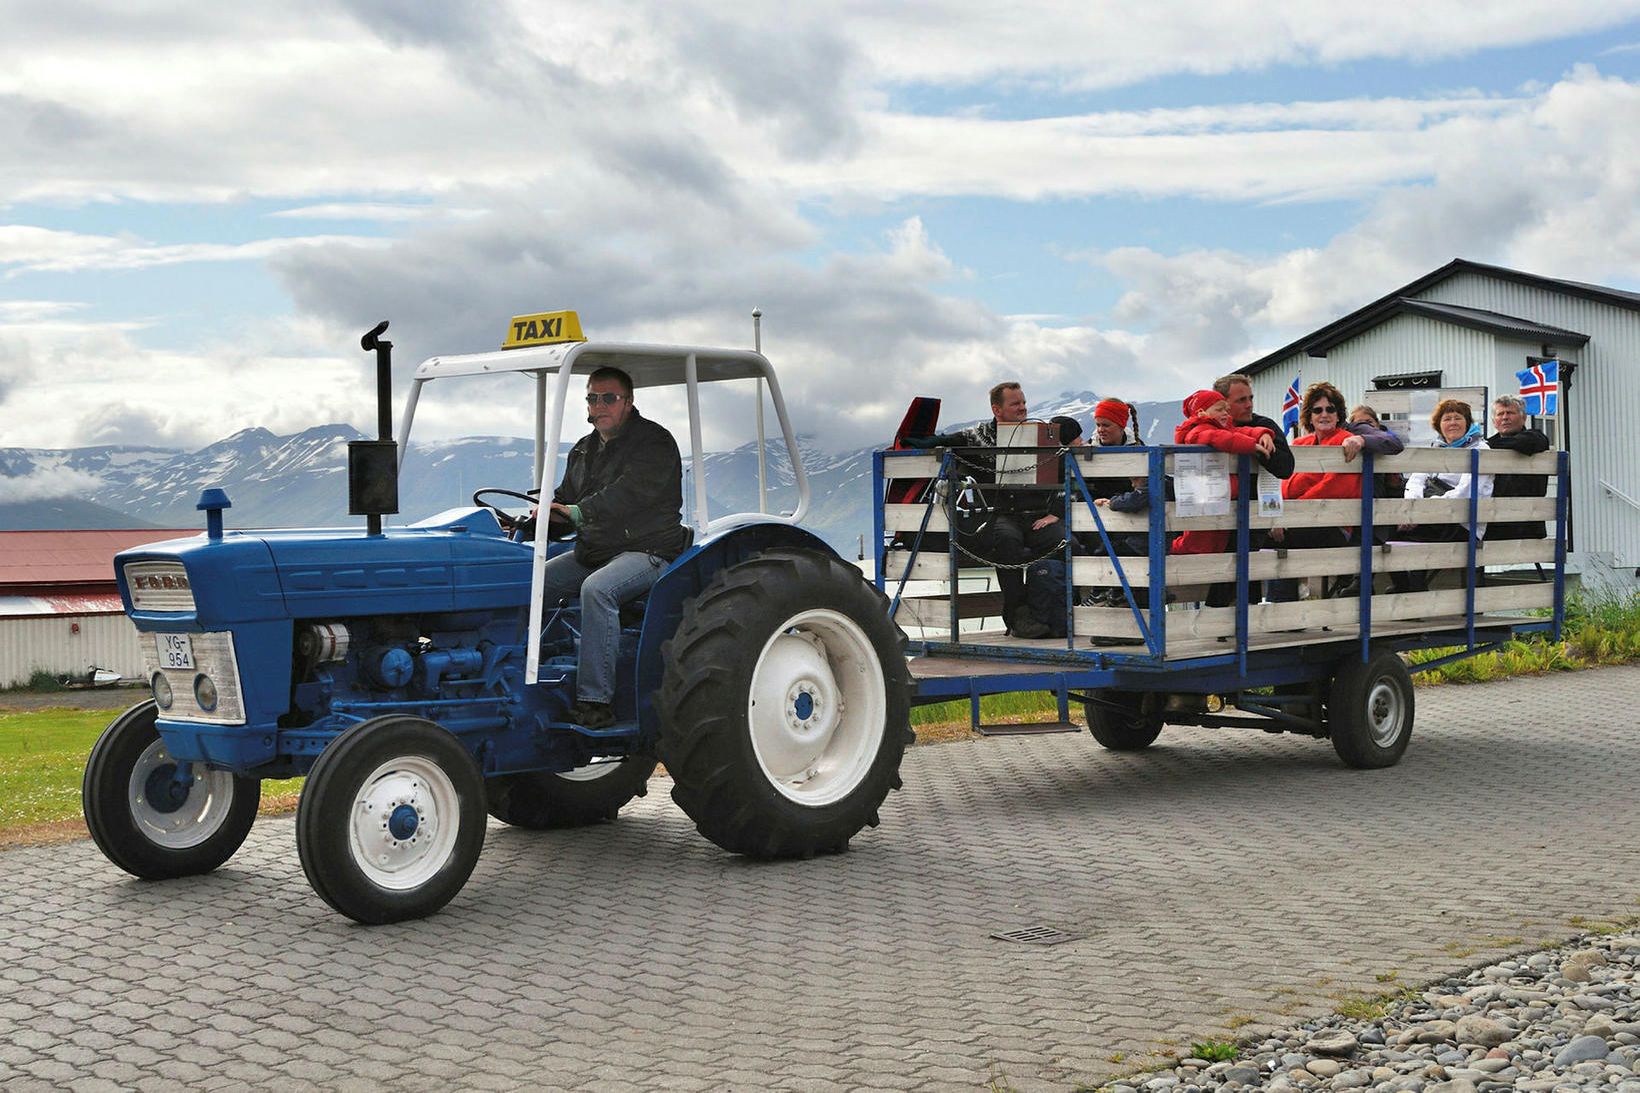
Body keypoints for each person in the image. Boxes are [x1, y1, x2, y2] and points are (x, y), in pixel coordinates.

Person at [539, 366, 691, 728]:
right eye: (593, 398)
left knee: (598, 590)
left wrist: (578, 512)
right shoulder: (583, 450)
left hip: (650, 549)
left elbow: (628, 494)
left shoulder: (653, 442)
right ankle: (533, 675)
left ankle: (595, 701)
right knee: (532, 583)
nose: (600, 405)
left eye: (609, 398)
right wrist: (537, 518)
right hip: (596, 551)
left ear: (628, 402)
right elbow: (566, 499)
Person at [1268, 383, 1402, 599]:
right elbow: (1285, 486)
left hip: (1334, 524)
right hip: (1302, 519)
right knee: (1257, 537)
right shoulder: (1300, 444)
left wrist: (1291, 516)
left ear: (1339, 414)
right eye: (1317, 410)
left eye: (1330, 409)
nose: (1324, 414)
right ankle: (1265, 608)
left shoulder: (1345, 442)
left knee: (1286, 539)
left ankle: (1282, 609)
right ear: (1309, 416)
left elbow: (1334, 488)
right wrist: (1280, 517)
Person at [1393, 398, 1493, 594]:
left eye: (1458, 418)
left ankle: (1413, 593)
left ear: (1468, 422)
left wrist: (1424, 512)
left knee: (1412, 537)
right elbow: (1416, 480)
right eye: (1447, 419)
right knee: (1384, 533)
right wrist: (1413, 510)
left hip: (1462, 521)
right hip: (1431, 516)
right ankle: (1406, 588)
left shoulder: (1480, 450)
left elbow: (1465, 492)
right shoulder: (1436, 449)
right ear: (1439, 425)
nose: (1453, 423)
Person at [1171, 389, 1274, 557]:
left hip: (1220, 500)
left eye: (1226, 409)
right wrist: (1251, 445)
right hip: (1203, 500)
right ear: (1201, 412)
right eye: (1219, 409)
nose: (1225, 413)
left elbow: (1239, 432)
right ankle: (1169, 556)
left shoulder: (1223, 428)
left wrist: (1263, 433)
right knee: (1197, 545)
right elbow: (1216, 437)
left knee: (1217, 545)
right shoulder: (1197, 430)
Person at [1484, 394, 1551, 542]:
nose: (1505, 417)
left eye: (1510, 413)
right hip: (1493, 521)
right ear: (1494, 422)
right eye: (1500, 414)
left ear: (1523, 418)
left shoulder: (1535, 437)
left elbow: (1526, 443)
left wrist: (1488, 447)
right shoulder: (1487, 445)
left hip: (1526, 522)